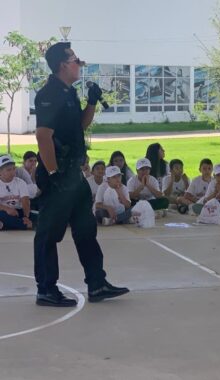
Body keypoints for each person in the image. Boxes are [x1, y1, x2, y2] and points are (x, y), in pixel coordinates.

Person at [33, 42, 128, 306]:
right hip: (58, 177)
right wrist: (53, 174)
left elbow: (80, 125)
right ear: (63, 65)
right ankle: (46, 289)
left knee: (85, 230)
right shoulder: (49, 94)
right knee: (48, 235)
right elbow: (43, 136)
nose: (79, 64)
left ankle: (97, 284)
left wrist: (92, 102)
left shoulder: (68, 93)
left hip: (73, 176)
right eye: (75, 60)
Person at [0, 155, 33, 231]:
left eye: (14, 169)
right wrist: (7, 209)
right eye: (8, 170)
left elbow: (25, 201)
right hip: (3, 212)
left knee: (40, 217)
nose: (12, 172)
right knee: (2, 215)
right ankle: (23, 225)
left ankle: (5, 225)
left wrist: (26, 216)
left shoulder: (20, 183)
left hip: (19, 212)